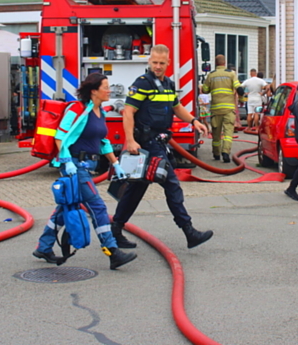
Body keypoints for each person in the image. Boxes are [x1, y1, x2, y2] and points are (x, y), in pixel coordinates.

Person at [110, 45, 214, 249]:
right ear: (149, 62)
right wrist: (130, 140)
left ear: (168, 63)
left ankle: (115, 230)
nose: (157, 66)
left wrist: (194, 121)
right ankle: (189, 231)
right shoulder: (142, 84)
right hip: (147, 145)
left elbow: (176, 107)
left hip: (159, 143)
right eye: (154, 62)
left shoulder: (167, 84)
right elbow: (129, 112)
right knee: (172, 185)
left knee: (135, 191)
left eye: (161, 63)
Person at [33, 73, 137, 270]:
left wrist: (115, 164)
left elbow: (103, 142)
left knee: (66, 208)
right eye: (106, 87)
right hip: (74, 166)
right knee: (97, 206)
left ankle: (43, 246)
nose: (110, 91)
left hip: (87, 166)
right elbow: (60, 136)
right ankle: (112, 251)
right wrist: (66, 161)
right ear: (94, 91)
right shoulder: (76, 109)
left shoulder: (100, 112)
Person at [202, 55, 245, 163]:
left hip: (216, 109)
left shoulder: (211, 75)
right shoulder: (231, 73)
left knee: (216, 133)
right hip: (228, 109)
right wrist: (242, 98)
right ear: (224, 62)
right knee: (228, 133)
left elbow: (205, 90)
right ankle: (225, 152)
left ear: (215, 63)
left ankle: (216, 154)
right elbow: (238, 87)